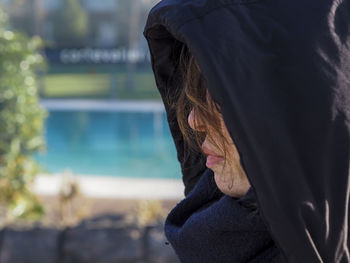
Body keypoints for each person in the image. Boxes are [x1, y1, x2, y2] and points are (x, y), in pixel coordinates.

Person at [144, 0, 350, 262]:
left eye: (221, 99)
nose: (194, 120)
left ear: (296, 114)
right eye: (196, 97)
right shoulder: (207, 235)